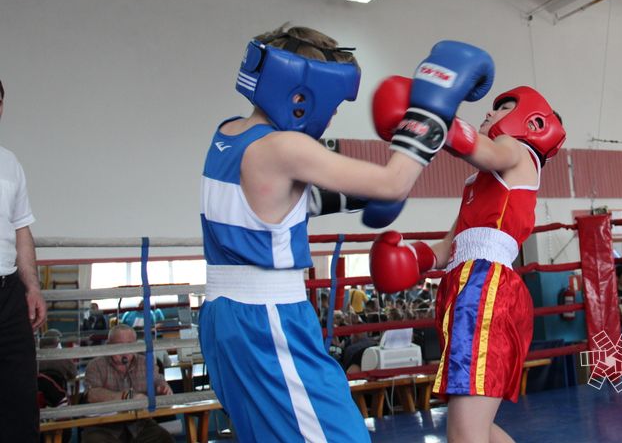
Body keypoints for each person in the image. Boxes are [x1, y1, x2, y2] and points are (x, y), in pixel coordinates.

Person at [198, 26, 493, 443]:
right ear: (301, 96)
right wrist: (433, 112)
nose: (333, 114)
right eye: (333, 103)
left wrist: (356, 198)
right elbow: (393, 182)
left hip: (223, 316)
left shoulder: (228, 135)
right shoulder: (285, 148)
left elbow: (275, 206)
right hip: (268, 320)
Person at [369, 81, 565, 443]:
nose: (489, 112)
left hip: (485, 289)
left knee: (466, 431)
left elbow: (488, 152)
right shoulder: (481, 183)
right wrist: (412, 258)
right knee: (475, 428)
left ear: (530, 122)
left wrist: (435, 120)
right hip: (467, 288)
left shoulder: (517, 152)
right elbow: (450, 245)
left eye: (502, 108)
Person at [0, 77, 47, 443]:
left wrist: (32, 287)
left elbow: (21, 229)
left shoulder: (9, 163)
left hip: (8, 292)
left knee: (18, 399)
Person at [83, 325, 174, 443]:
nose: (125, 350)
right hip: (104, 427)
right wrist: (126, 397)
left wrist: (163, 388)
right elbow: (92, 395)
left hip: (139, 425)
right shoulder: (95, 365)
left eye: (130, 344)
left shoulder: (146, 363)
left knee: (164, 439)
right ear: (108, 345)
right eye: (119, 345)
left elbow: (158, 380)